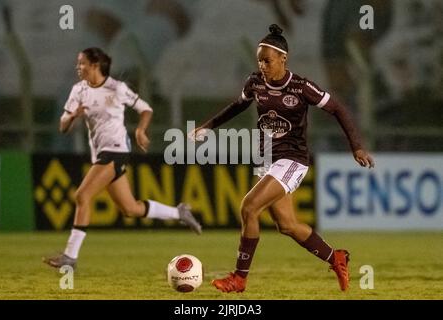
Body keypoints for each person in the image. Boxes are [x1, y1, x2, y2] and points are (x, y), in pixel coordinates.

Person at [190, 25, 374, 292]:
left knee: (249, 207)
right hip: (267, 159)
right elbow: (237, 106)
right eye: (259, 61)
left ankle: (239, 279)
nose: (263, 65)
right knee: (287, 226)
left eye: (268, 60)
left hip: (293, 159)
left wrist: (356, 146)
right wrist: (208, 126)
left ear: (283, 59)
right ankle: (336, 257)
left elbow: (338, 109)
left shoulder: (301, 87)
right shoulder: (255, 82)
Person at [43, 47, 202, 269]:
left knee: (82, 196)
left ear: (95, 65)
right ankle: (179, 212)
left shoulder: (116, 88)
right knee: (130, 209)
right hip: (100, 154)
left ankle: (70, 257)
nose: (78, 67)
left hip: (116, 150)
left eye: (82, 63)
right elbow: (62, 126)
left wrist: (140, 131)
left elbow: (145, 109)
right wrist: (73, 115)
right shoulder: (78, 91)